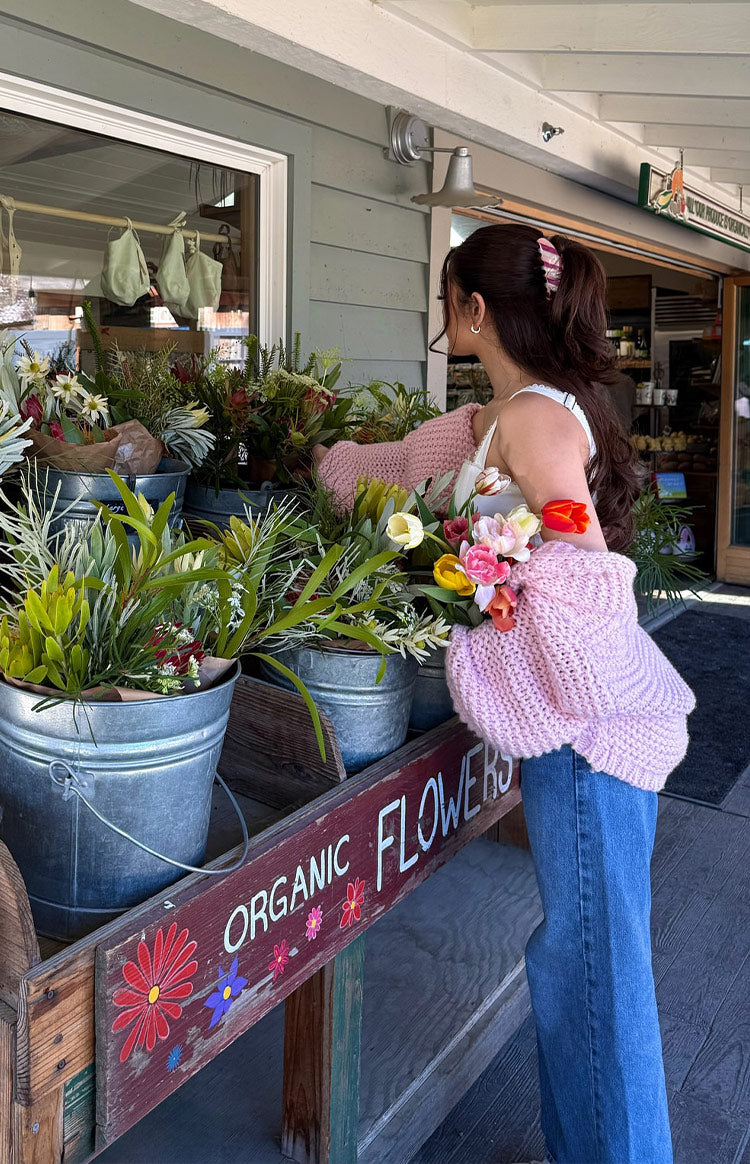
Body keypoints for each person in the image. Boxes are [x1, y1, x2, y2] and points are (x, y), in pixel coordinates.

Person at [313, 223, 694, 1164]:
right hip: (576, 738)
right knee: (578, 966)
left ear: (475, 310)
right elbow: (401, 465)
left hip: (590, 743)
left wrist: (497, 614)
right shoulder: (496, 420)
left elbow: (584, 582)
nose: (445, 322)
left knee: (596, 976)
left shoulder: (531, 424)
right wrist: (326, 453)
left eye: (449, 303)